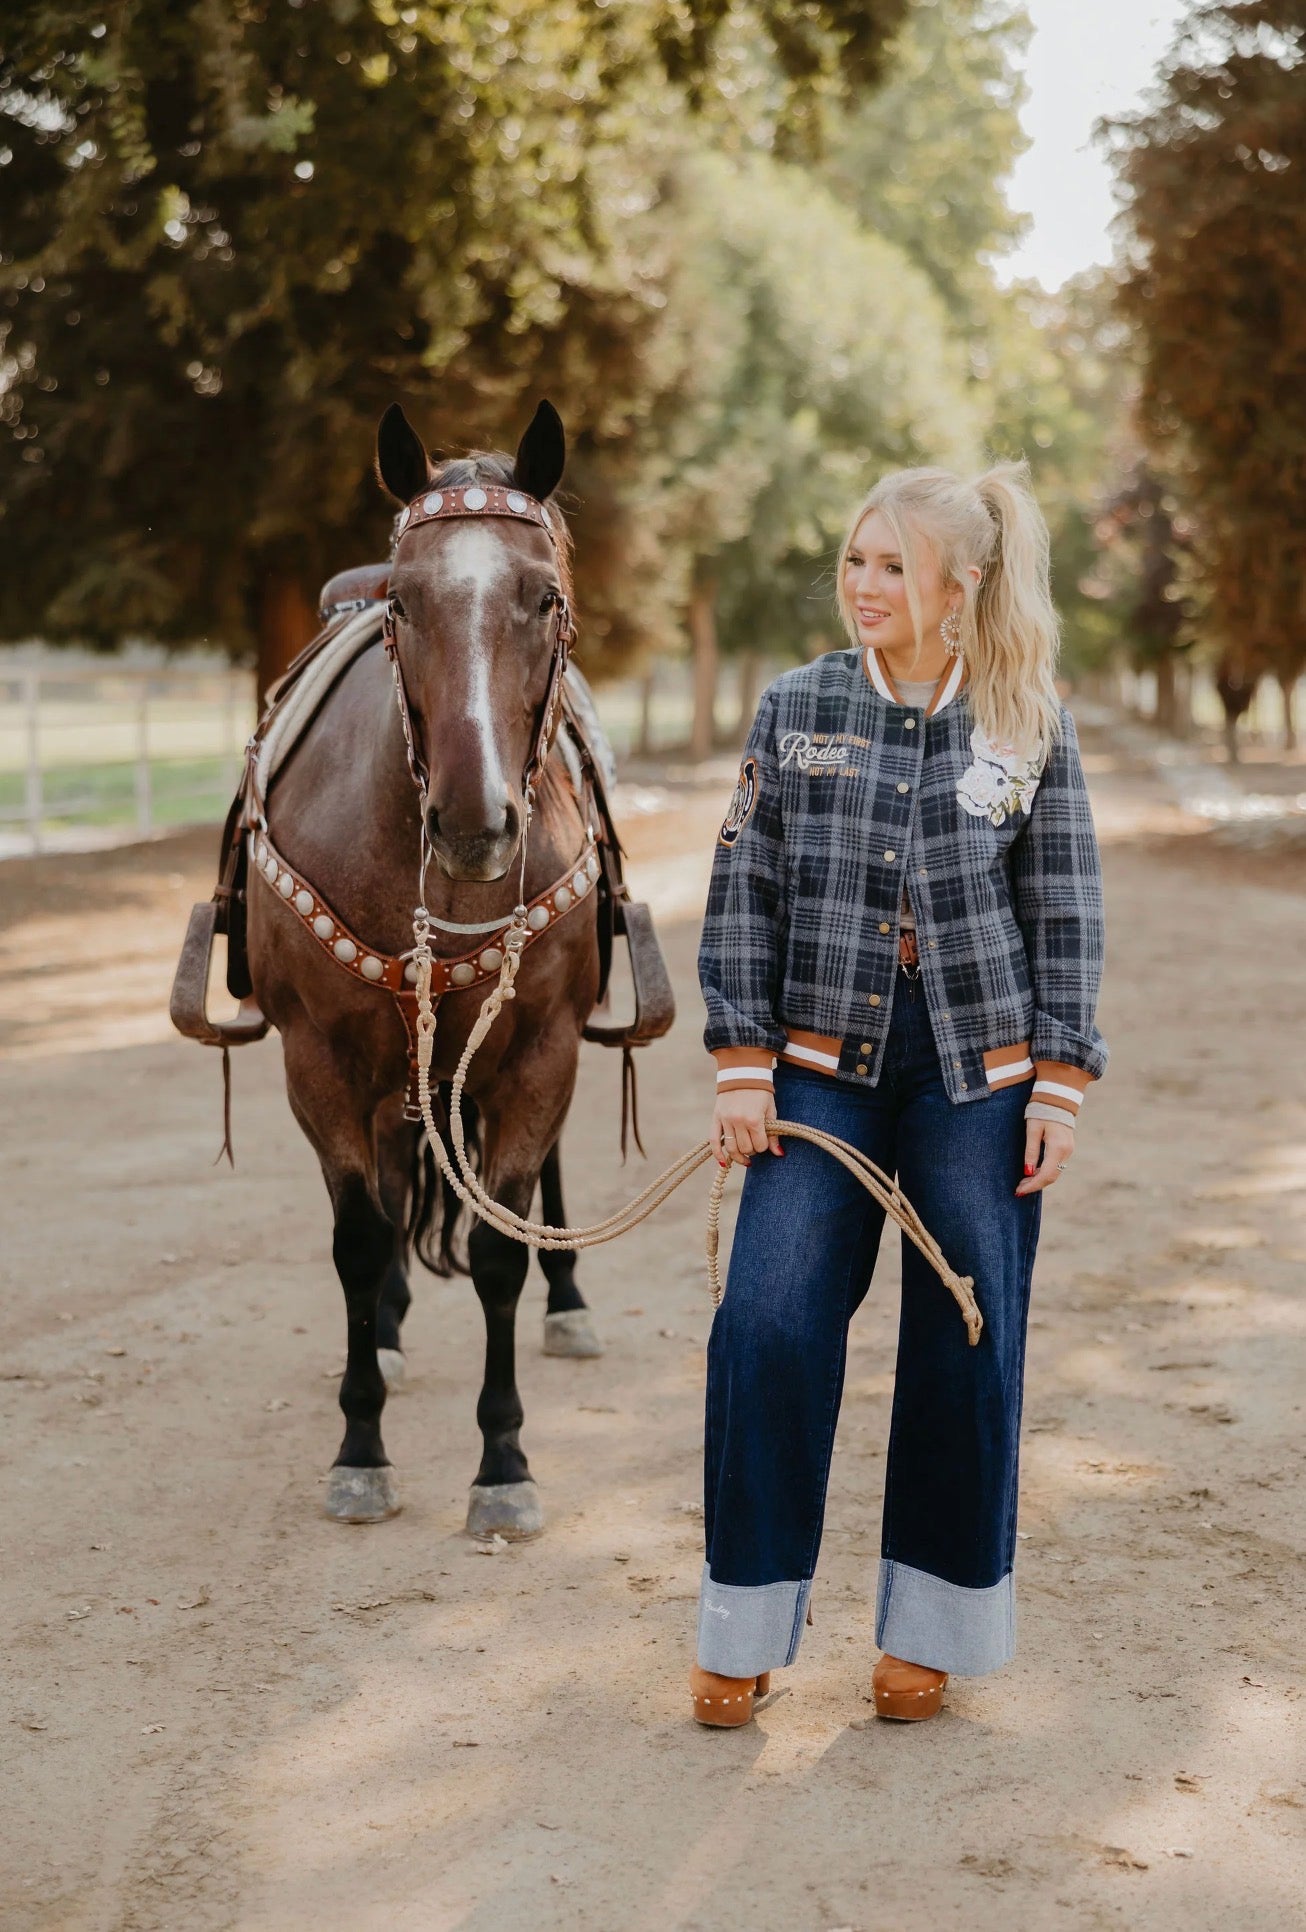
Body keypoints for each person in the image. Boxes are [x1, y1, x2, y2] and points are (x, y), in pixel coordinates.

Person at [691, 460, 1107, 1727]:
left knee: (966, 1341)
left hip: (975, 1084)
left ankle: (931, 1629)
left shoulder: (1026, 722)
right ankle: (745, 1625)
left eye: (890, 566)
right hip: (818, 1080)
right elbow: (742, 885)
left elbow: (1068, 909)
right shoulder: (795, 707)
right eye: (854, 561)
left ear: (957, 586)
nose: (863, 586)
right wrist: (740, 1063)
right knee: (765, 1321)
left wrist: (1060, 1082)